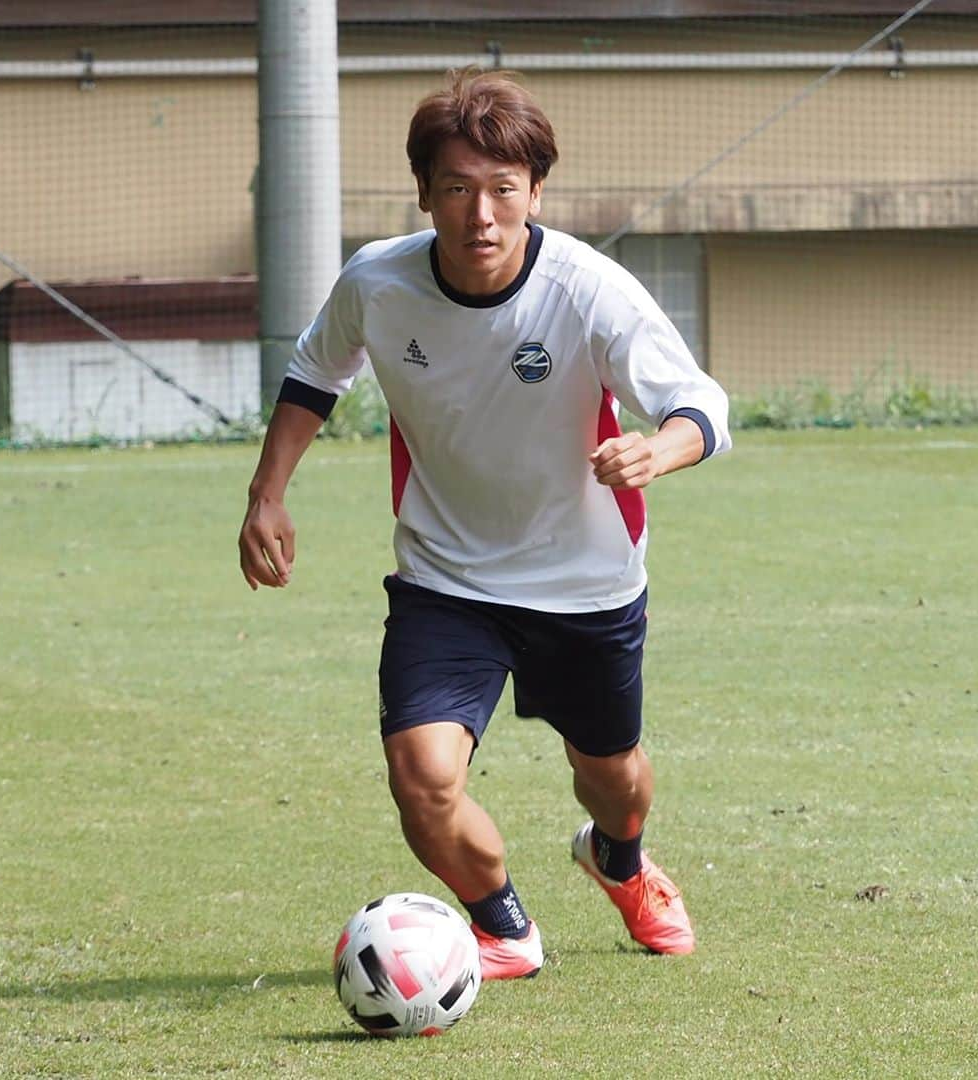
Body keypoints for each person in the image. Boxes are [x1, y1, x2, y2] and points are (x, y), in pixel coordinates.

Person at [238, 69, 731, 981]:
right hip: (445, 579)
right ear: (423, 193)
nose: (481, 216)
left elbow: (700, 405)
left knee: (614, 778)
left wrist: (658, 452)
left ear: (536, 191)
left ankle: (619, 861)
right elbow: (317, 372)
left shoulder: (590, 290)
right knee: (421, 777)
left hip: (585, 580)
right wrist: (267, 492)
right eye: (457, 190)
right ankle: (502, 928)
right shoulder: (377, 283)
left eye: (504, 190)